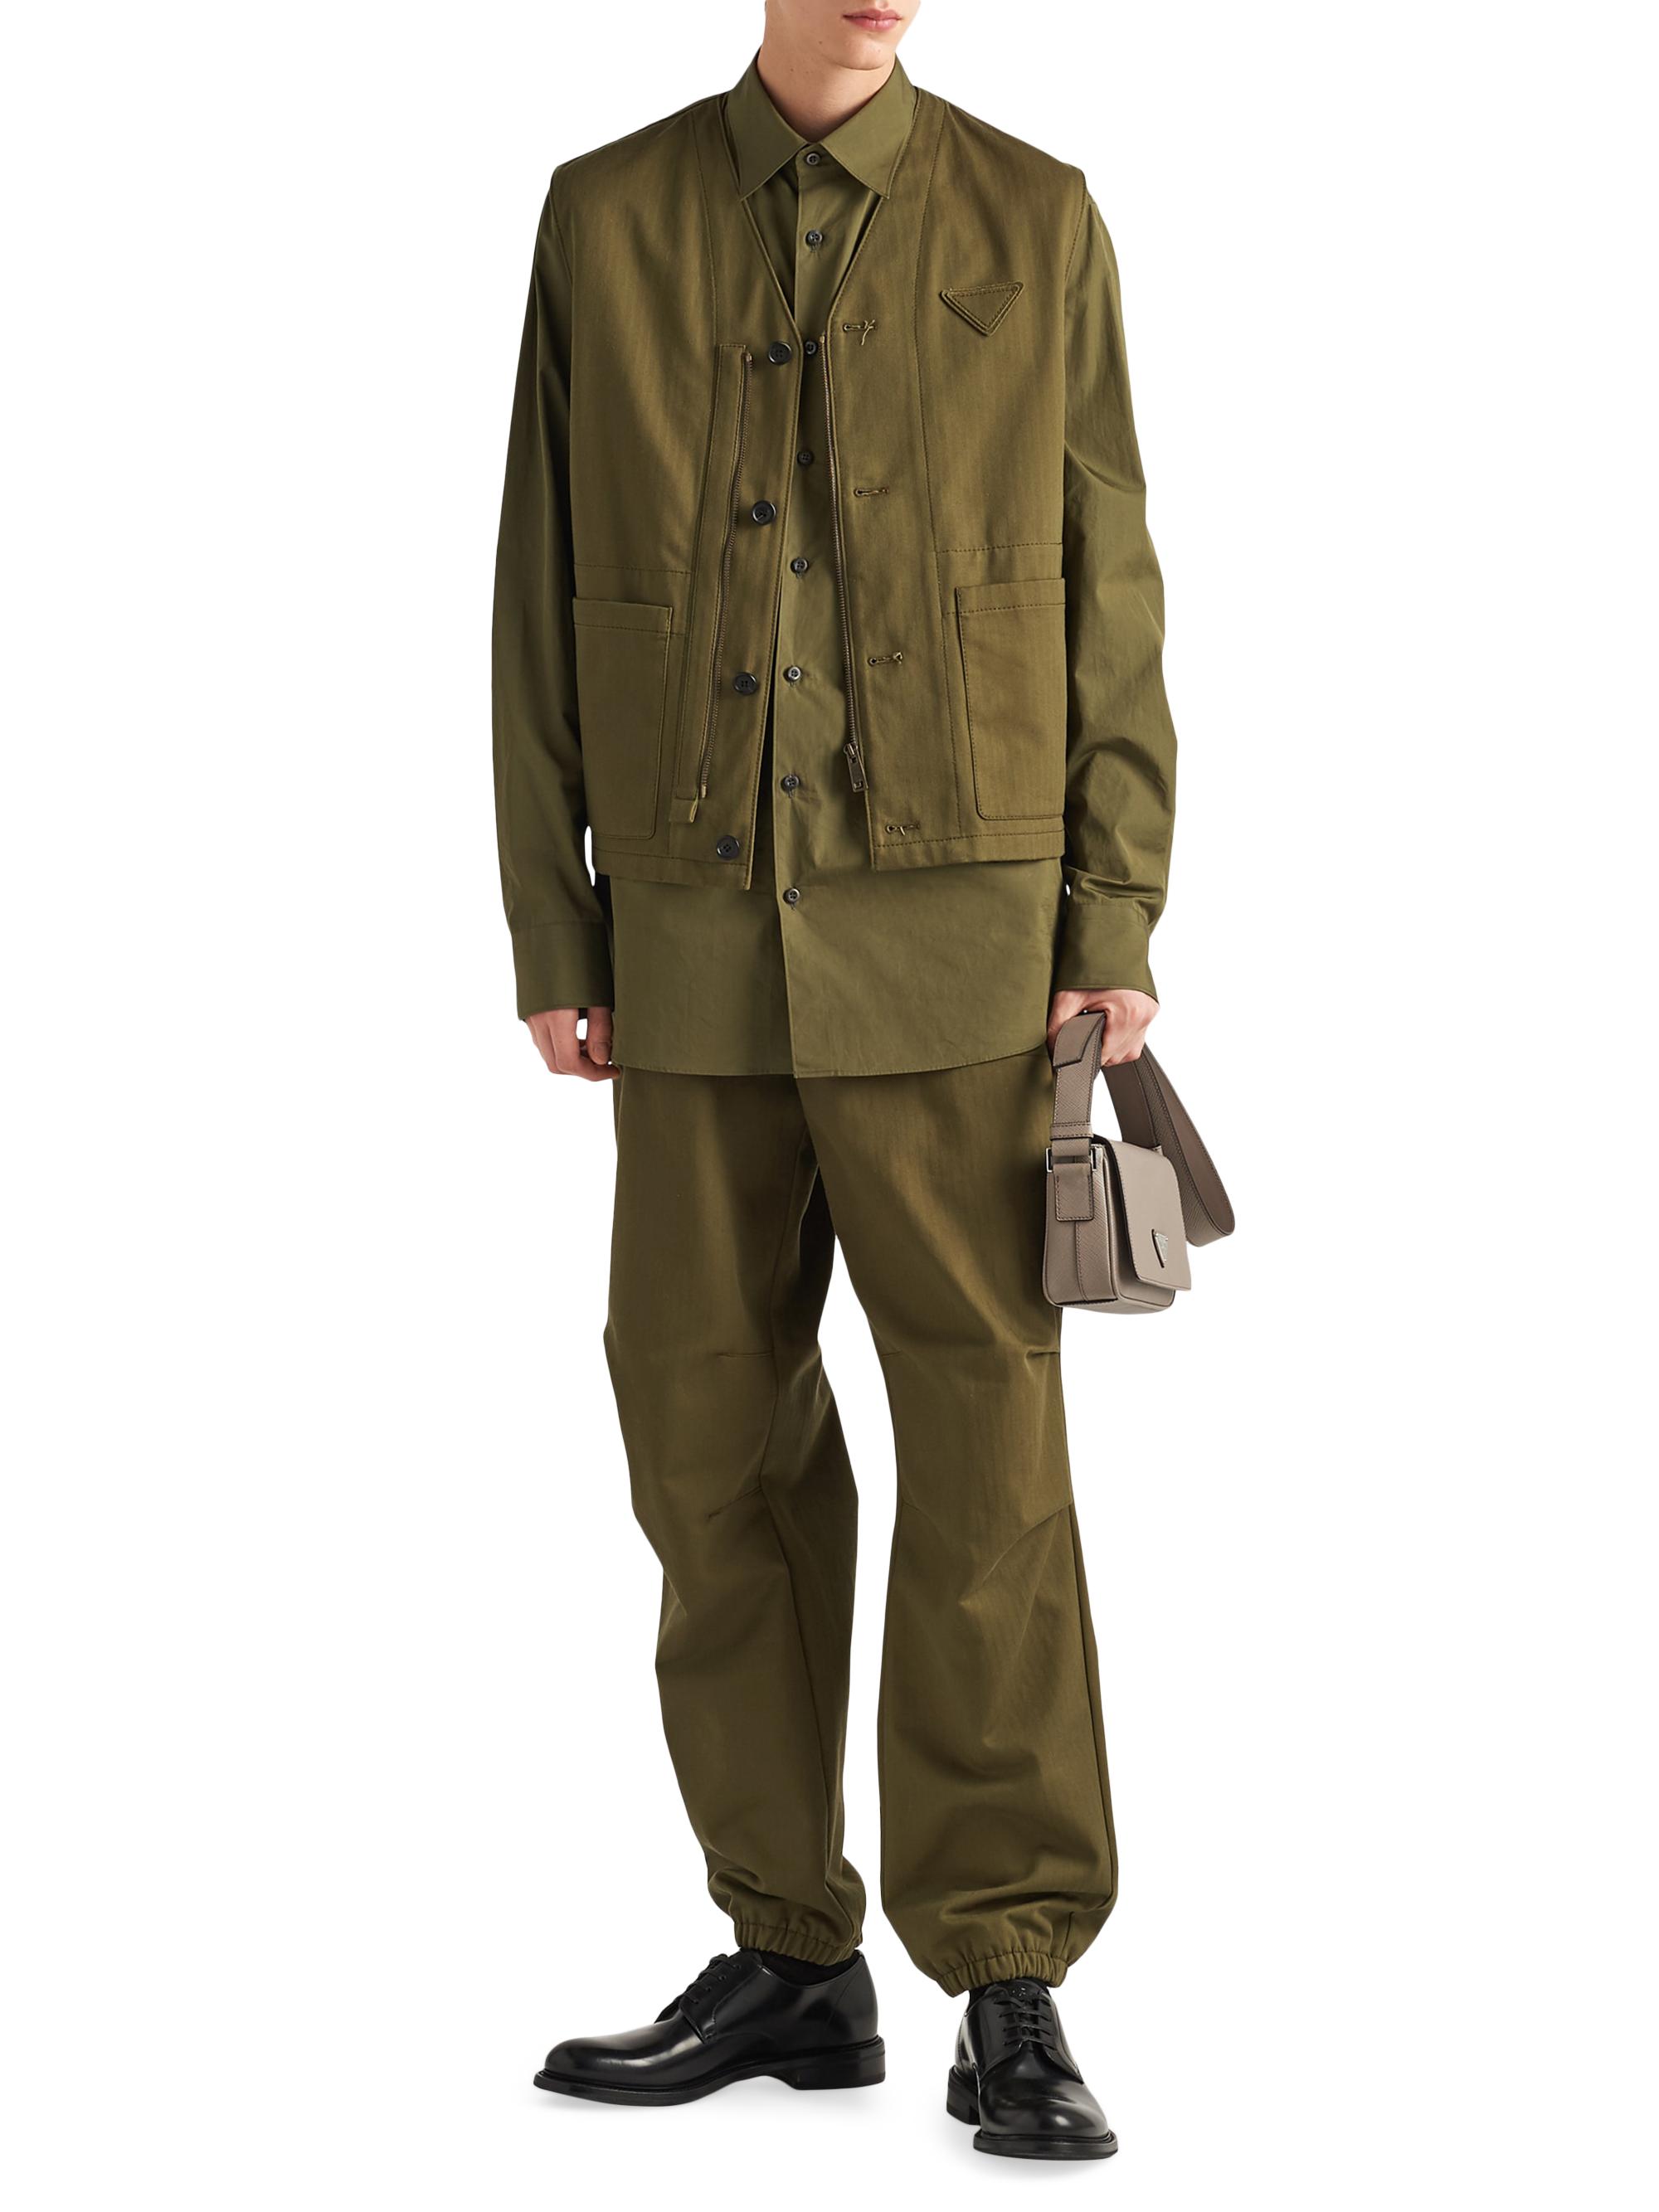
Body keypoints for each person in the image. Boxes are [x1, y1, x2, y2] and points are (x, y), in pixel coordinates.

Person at [492, 0, 1178, 2162]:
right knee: (709, 1446)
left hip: (960, 944)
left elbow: (1110, 576)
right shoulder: (606, 220)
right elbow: (537, 591)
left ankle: (1011, 1973)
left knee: (987, 1459)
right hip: (688, 942)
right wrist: (557, 929)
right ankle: (791, 1950)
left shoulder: (1036, 222)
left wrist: (1112, 912)